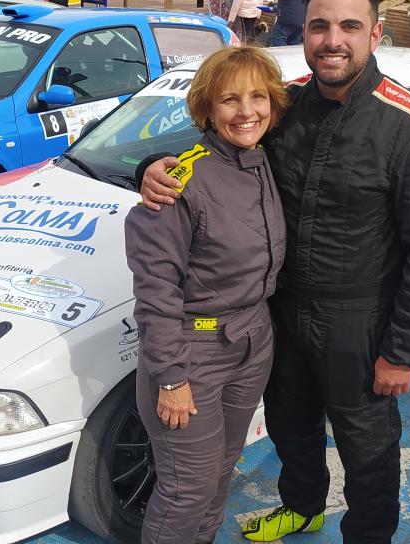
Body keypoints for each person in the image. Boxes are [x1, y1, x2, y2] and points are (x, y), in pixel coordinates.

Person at [139, 0, 410, 541]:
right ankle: (302, 505)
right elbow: (221, 141)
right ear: (305, 31)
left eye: (349, 26)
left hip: (359, 324)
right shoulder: (285, 106)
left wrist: (403, 351)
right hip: (281, 313)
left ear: (375, 33)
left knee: (367, 448)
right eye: (319, 26)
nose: (332, 39)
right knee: (292, 425)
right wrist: (156, 167)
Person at [125, 46, 288, 544]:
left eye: (258, 97)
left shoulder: (263, 160)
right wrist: (171, 377)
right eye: (230, 100)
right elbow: (155, 289)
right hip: (192, 356)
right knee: (185, 490)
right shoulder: (181, 180)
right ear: (208, 109)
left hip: (252, 342)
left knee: (219, 474)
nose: (246, 111)